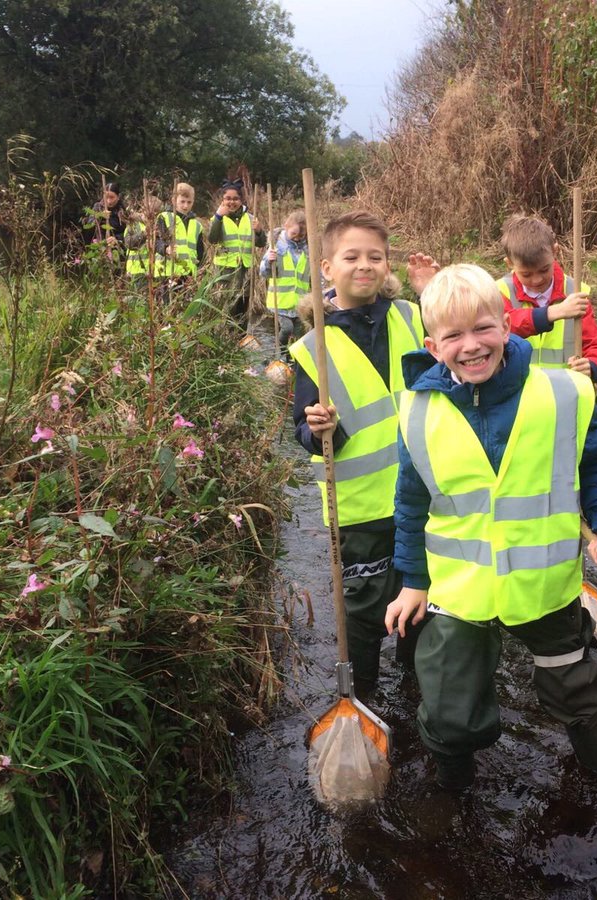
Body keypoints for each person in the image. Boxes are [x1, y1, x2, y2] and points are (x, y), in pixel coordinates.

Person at [384, 263, 597, 791]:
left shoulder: (564, 394)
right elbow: (409, 503)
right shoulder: (417, 413)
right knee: (450, 712)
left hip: (544, 587)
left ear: (507, 324)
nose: (471, 346)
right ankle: (456, 797)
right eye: (454, 336)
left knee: (577, 695)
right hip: (460, 590)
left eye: (483, 329)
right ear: (433, 346)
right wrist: (412, 580)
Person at [289, 210, 427, 697]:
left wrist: (430, 290)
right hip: (360, 510)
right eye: (351, 257)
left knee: (423, 595)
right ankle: (365, 695)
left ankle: (415, 683)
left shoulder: (411, 317)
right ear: (327, 268)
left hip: (425, 497)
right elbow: (302, 431)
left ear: (387, 265)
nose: (364, 265)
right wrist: (319, 429)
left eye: (376, 256)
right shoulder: (312, 348)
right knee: (365, 611)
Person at [498, 214, 597, 381]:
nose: (536, 280)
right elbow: (499, 329)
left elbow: (595, 345)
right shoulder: (499, 291)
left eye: (544, 270)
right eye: (526, 274)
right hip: (517, 396)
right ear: (509, 263)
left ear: (555, 251)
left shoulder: (575, 292)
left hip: (564, 392)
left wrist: (591, 366)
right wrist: (552, 313)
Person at [207, 179, 265, 329]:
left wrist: (259, 231)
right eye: (228, 198)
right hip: (225, 272)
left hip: (245, 271)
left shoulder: (251, 219)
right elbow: (212, 239)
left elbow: (261, 243)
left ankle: (241, 340)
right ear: (222, 200)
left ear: (241, 200)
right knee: (227, 309)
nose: (231, 202)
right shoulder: (217, 218)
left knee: (243, 309)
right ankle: (227, 342)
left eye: (235, 199)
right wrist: (219, 217)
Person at [260, 209, 309, 356]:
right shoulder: (276, 247)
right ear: (286, 226)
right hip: (280, 302)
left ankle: (291, 361)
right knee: (287, 329)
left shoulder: (308, 250)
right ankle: (277, 354)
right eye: (294, 234)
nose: (297, 238)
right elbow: (264, 273)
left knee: (299, 335)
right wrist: (269, 261)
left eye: (301, 235)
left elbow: (313, 276)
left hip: (300, 303)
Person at [158, 182, 205, 293]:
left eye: (189, 202)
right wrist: (166, 249)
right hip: (168, 272)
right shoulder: (164, 217)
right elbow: (156, 242)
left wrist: (200, 270)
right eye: (182, 202)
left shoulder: (197, 224)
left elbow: (200, 251)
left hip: (189, 275)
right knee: (167, 308)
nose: (185, 206)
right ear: (174, 200)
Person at [83, 182, 128, 263]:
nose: (109, 201)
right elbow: (88, 229)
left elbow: (128, 232)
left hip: (118, 250)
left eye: (112, 197)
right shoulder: (97, 207)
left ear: (118, 197)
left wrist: (117, 239)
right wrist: (99, 217)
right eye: (106, 197)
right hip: (100, 249)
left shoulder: (122, 211)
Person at [124, 194, 164, 284]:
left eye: (156, 212)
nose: (153, 215)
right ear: (142, 210)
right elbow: (128, 243)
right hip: (136, 272)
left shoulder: (159, 226)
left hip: (155, 272)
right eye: (151, 212)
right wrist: (144, 234)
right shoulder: (133, 225)